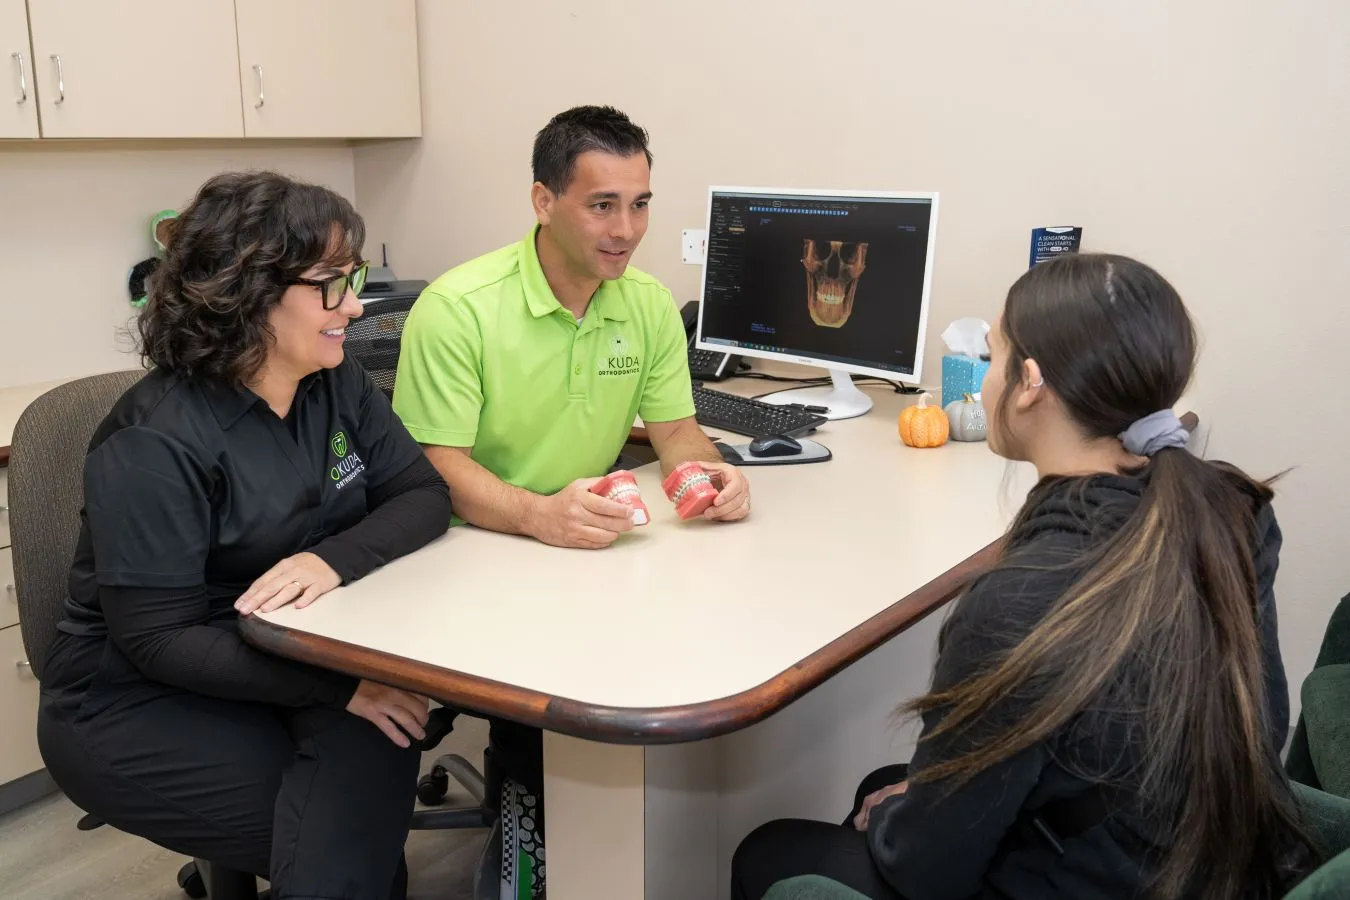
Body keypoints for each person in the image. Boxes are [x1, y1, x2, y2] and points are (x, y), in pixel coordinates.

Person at [730, 253, 1318, 900]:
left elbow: (925, 871)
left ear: (1029, 383)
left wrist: (905, 816)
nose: (985, 379)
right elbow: (1260, 726)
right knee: (884, 788)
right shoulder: (1234, 509)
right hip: (1216, 858)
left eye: (993, 356)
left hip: (1102, 879)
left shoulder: (1017, 600)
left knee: (773, 853)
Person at [36, 171, 452, 900]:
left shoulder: (334, 380)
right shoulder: (155, 440)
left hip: (289, 653)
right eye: (331, 284)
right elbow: (159, 639)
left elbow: (423, 494)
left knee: (379, 772)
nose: (355, 306)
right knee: (349, 857)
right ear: (248, 291)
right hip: (135, 699)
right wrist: (339, 686)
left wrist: (329, 560)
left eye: (352, 278)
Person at [392, 105, 752, 898]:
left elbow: (675, 431)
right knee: (558, 710)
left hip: (579, 549)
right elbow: (434, 465)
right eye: (602, 205)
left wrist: (713, 472)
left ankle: (637, 856)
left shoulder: (646, 303)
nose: (626, 230)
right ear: (543, 201)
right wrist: (536, 515)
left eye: (640, 204)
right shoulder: (460, 308)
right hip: (466, 553)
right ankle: (530, 856)